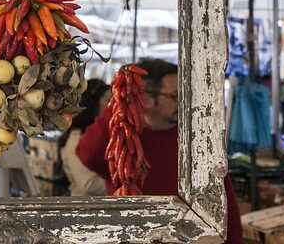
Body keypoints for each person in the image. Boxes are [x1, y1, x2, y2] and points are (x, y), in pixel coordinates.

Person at [76, 58, 243, 243]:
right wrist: (122, 100)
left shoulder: (196, 140)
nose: (182, 103)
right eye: (174, 96)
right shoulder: (124, 138)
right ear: (147, 98)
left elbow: (226, 203)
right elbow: (87, 154)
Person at [60, 79, 110, 196]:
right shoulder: (76, 139)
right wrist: (123, 184)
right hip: (86, 209)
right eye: (108, 100)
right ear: (93, 104)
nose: (112, 106)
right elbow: (89, 185)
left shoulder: (100, 134)